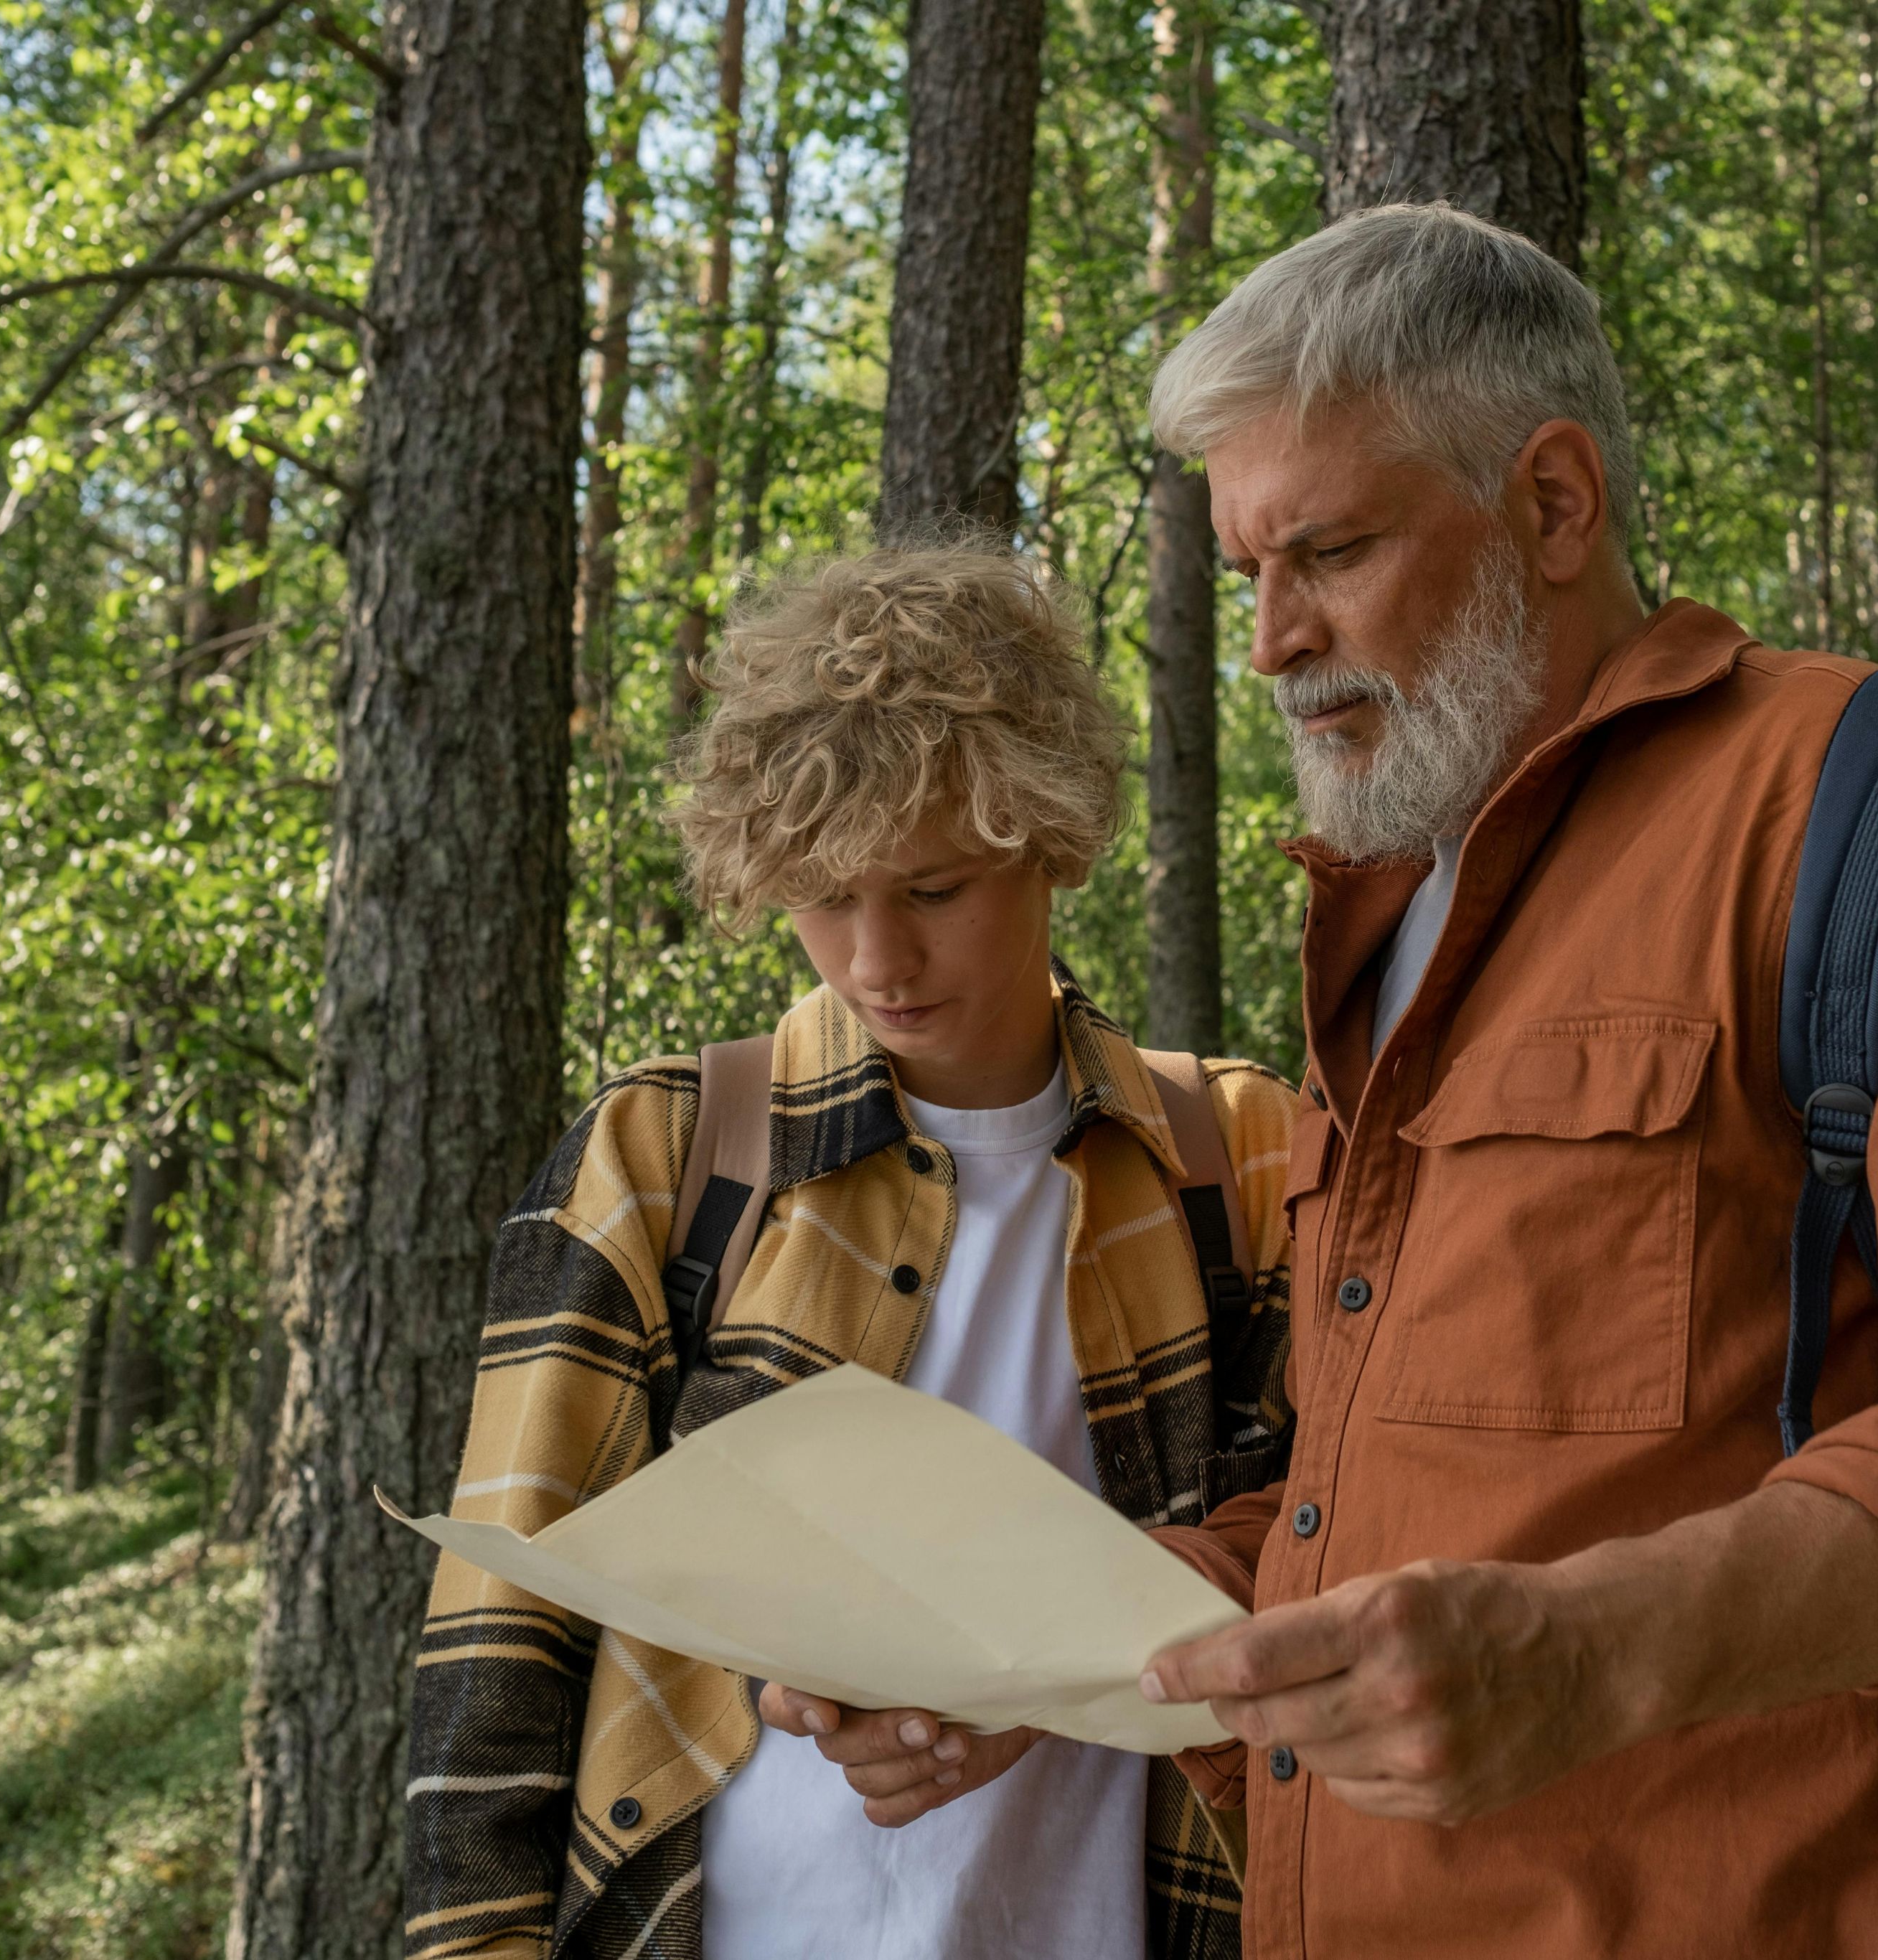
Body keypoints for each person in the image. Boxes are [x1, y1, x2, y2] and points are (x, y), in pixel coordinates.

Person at [1119, 205, 1878, 1956]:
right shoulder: (1388, 920)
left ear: (1553, 503)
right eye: (1246, 572)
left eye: (1328, 551)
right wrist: (1039, 1663)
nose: (1269, 638)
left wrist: (1592, 1651)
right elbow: (1393, 1500)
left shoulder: (1864, 809)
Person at [400, 547, 1296, 1960]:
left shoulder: (1237, 1161)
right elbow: (495, 1652)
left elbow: (1348, 1564)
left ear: (1046, 836)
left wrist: (1058, 1666)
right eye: (823, 895)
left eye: (933, 888)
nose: (876, 956)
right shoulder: (664, 1157)